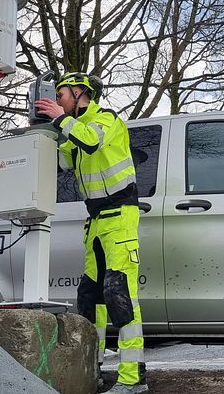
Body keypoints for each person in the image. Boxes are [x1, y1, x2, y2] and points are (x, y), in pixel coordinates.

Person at [34, 72, 148, 393]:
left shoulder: (106, 119)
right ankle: (92, 369)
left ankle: (133, 378)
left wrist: (61, 121)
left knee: (119, 293)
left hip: (120, 217)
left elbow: (92, 140)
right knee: (90, 298)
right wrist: (47, 135)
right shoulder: (74, 129)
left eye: (61, 95)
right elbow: (64, 163)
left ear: (80, 92)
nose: (57, 101)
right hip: (95, 221)